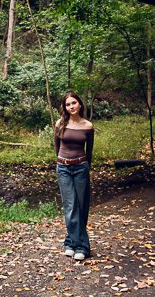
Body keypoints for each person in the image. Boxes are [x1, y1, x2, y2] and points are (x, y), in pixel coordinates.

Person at [53, 90, 94, 261]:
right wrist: (61, 162)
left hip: (80, 168)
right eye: (68, 104)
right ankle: (81, 247)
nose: (71, 107)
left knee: (82, 206)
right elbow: (56, 146)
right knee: (70, 207)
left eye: (73, 103)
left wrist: (85, 168)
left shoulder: (88, 126)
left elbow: (89, 151)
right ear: (65, 107)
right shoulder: (60, 124)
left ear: (80, 104)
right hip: (63, 168)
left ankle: (70, 242)